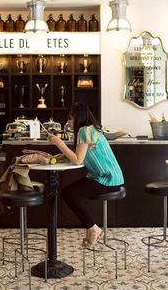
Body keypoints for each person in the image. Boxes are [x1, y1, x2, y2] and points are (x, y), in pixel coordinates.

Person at [48, 102, 124, 247]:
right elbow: (79, 156)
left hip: (108, 179)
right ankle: (91, 228)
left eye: (70, 119)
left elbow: (77, 160)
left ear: (78, 117)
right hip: (110, 177)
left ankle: (93, 228)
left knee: (69, 193)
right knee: (70, 192)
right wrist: (62, 157)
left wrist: (59, 142)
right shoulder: (91, 129)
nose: (68, 122)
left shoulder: (84, 131)